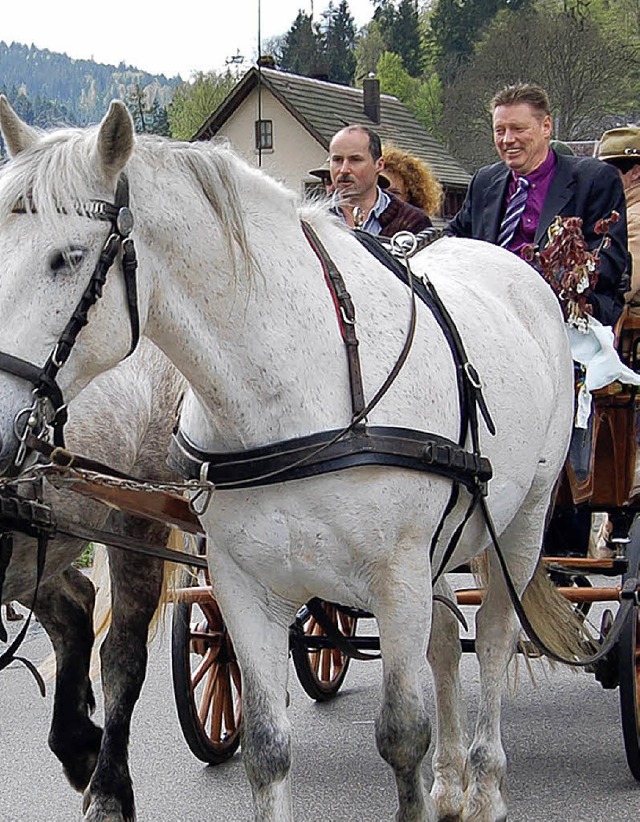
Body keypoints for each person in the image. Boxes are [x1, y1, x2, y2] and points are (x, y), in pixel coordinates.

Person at [447, 82, 630, 327]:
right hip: (487, 310)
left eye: (518, 129)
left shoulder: (594, 179)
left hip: (563, 314)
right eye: (499, 130)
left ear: (546, 127)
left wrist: (544, 283)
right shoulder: (485, 181)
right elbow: (455, 236)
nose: (507, 140)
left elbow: (608, 260)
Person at [328, 124, 432, 236]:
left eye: (355, 160)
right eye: (337, 160)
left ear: (379, 165)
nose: (344, 169)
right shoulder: (312, 221)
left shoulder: (413, 222)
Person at [597, 126, 640, 311]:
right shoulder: (620, 211)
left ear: (636, 172)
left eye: (608, 171)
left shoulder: (635, 219)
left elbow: (623, 289)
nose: (599, 179)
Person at [381, 146, 443, 218]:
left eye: (394, 193)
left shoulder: (418, 227)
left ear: (410, 199)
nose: (384, 197)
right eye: (379, 190)